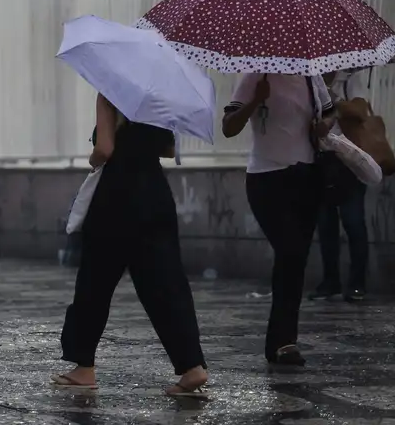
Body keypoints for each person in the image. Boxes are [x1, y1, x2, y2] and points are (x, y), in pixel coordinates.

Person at [53, 95, 208, 395]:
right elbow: (169, 148)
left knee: (94, 284)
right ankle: (193, 366)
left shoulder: (110, 90)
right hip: (156, 194)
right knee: (166, 284)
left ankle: (83, 367)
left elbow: (104, 149)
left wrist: (93, 159)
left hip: (117, 196)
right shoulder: (160, 94)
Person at [222, 73, 334, 366]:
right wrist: (256, 100)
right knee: (290, 250)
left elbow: (330, 112)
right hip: (266, 178)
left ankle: (284, 342)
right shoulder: (255, 76)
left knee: (295, 260)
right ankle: (282, 340)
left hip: (307, 175)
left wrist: (325, 126)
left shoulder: (312, 77)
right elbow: (229, 127)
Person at [310, 70, 369, 302]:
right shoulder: (310, 78)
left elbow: (361, 111)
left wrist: (334, 101)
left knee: (353, 222)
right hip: (321, 159)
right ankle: (330, 281)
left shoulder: (349, 78)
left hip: (348, 160)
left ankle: (357, 283)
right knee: (325, 225)